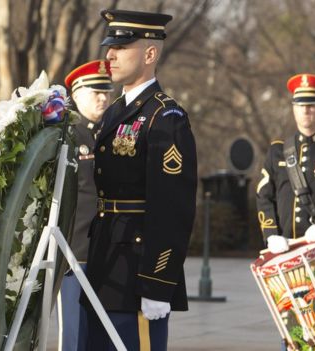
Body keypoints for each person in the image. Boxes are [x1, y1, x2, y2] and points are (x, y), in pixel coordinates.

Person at [83, 9, 197, 351]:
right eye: (110, 47)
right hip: (106, 262)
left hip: (138, 272)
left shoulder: (165, 117)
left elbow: (172, 208)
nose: (110, 55)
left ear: (150, 54)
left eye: (122, 48)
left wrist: (158, 283)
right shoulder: (116, 112)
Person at [60, 59, 113, 351]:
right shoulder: (66, 134)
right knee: (75, 333)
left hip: (107, 248)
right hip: (76, 249)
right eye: (96, 92)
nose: (103, 98)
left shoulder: (112, 132)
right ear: (77, 94)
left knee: (102, 333)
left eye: (107, 91)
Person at [257, 74, 315, 253]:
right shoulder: (277, 152)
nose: (305, 110)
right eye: (300, 105)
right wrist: (271, 234)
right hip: (284, 251)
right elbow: (264, 196)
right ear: (293, 109)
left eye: (311, 105)